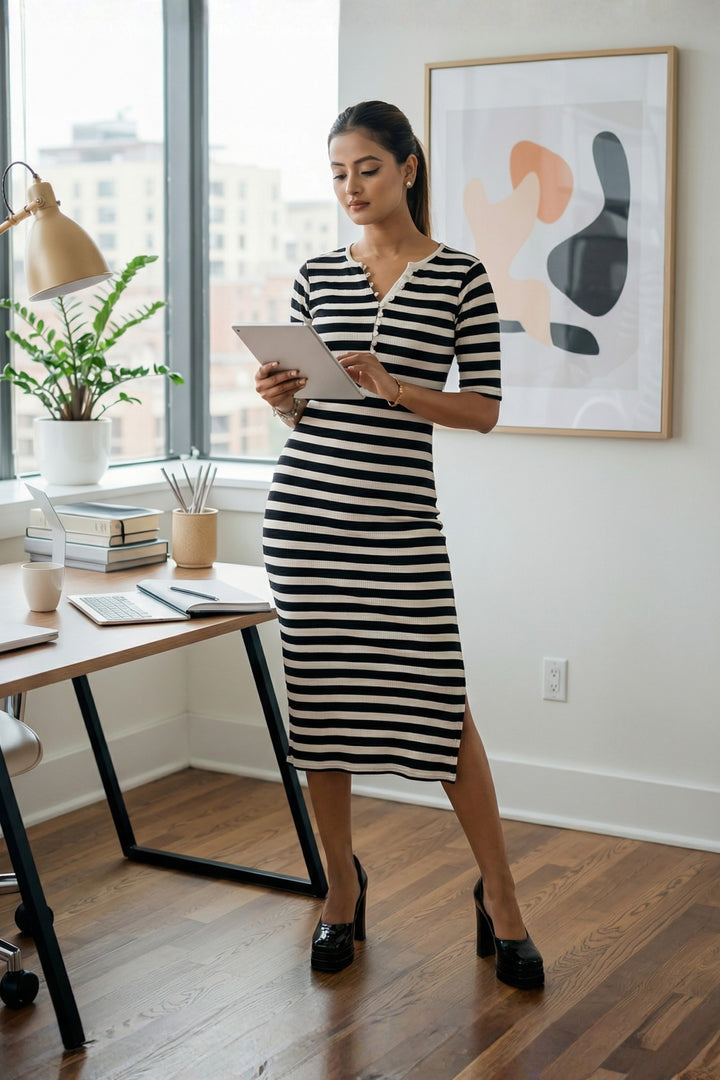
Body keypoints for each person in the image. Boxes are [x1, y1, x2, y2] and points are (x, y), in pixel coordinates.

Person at [254, 100, 543, 990]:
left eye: (367, 169)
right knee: (324, 715)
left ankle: (501, 898)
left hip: (399, 523)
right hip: (308, 520)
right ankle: (341, 888)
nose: (350, 188)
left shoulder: (461, 276)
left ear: (408, 167)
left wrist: (398, 386)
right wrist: (284, 399)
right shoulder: (315, 275)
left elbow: (485, 411)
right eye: (338, 173)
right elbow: (313, 415)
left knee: (442, 709)